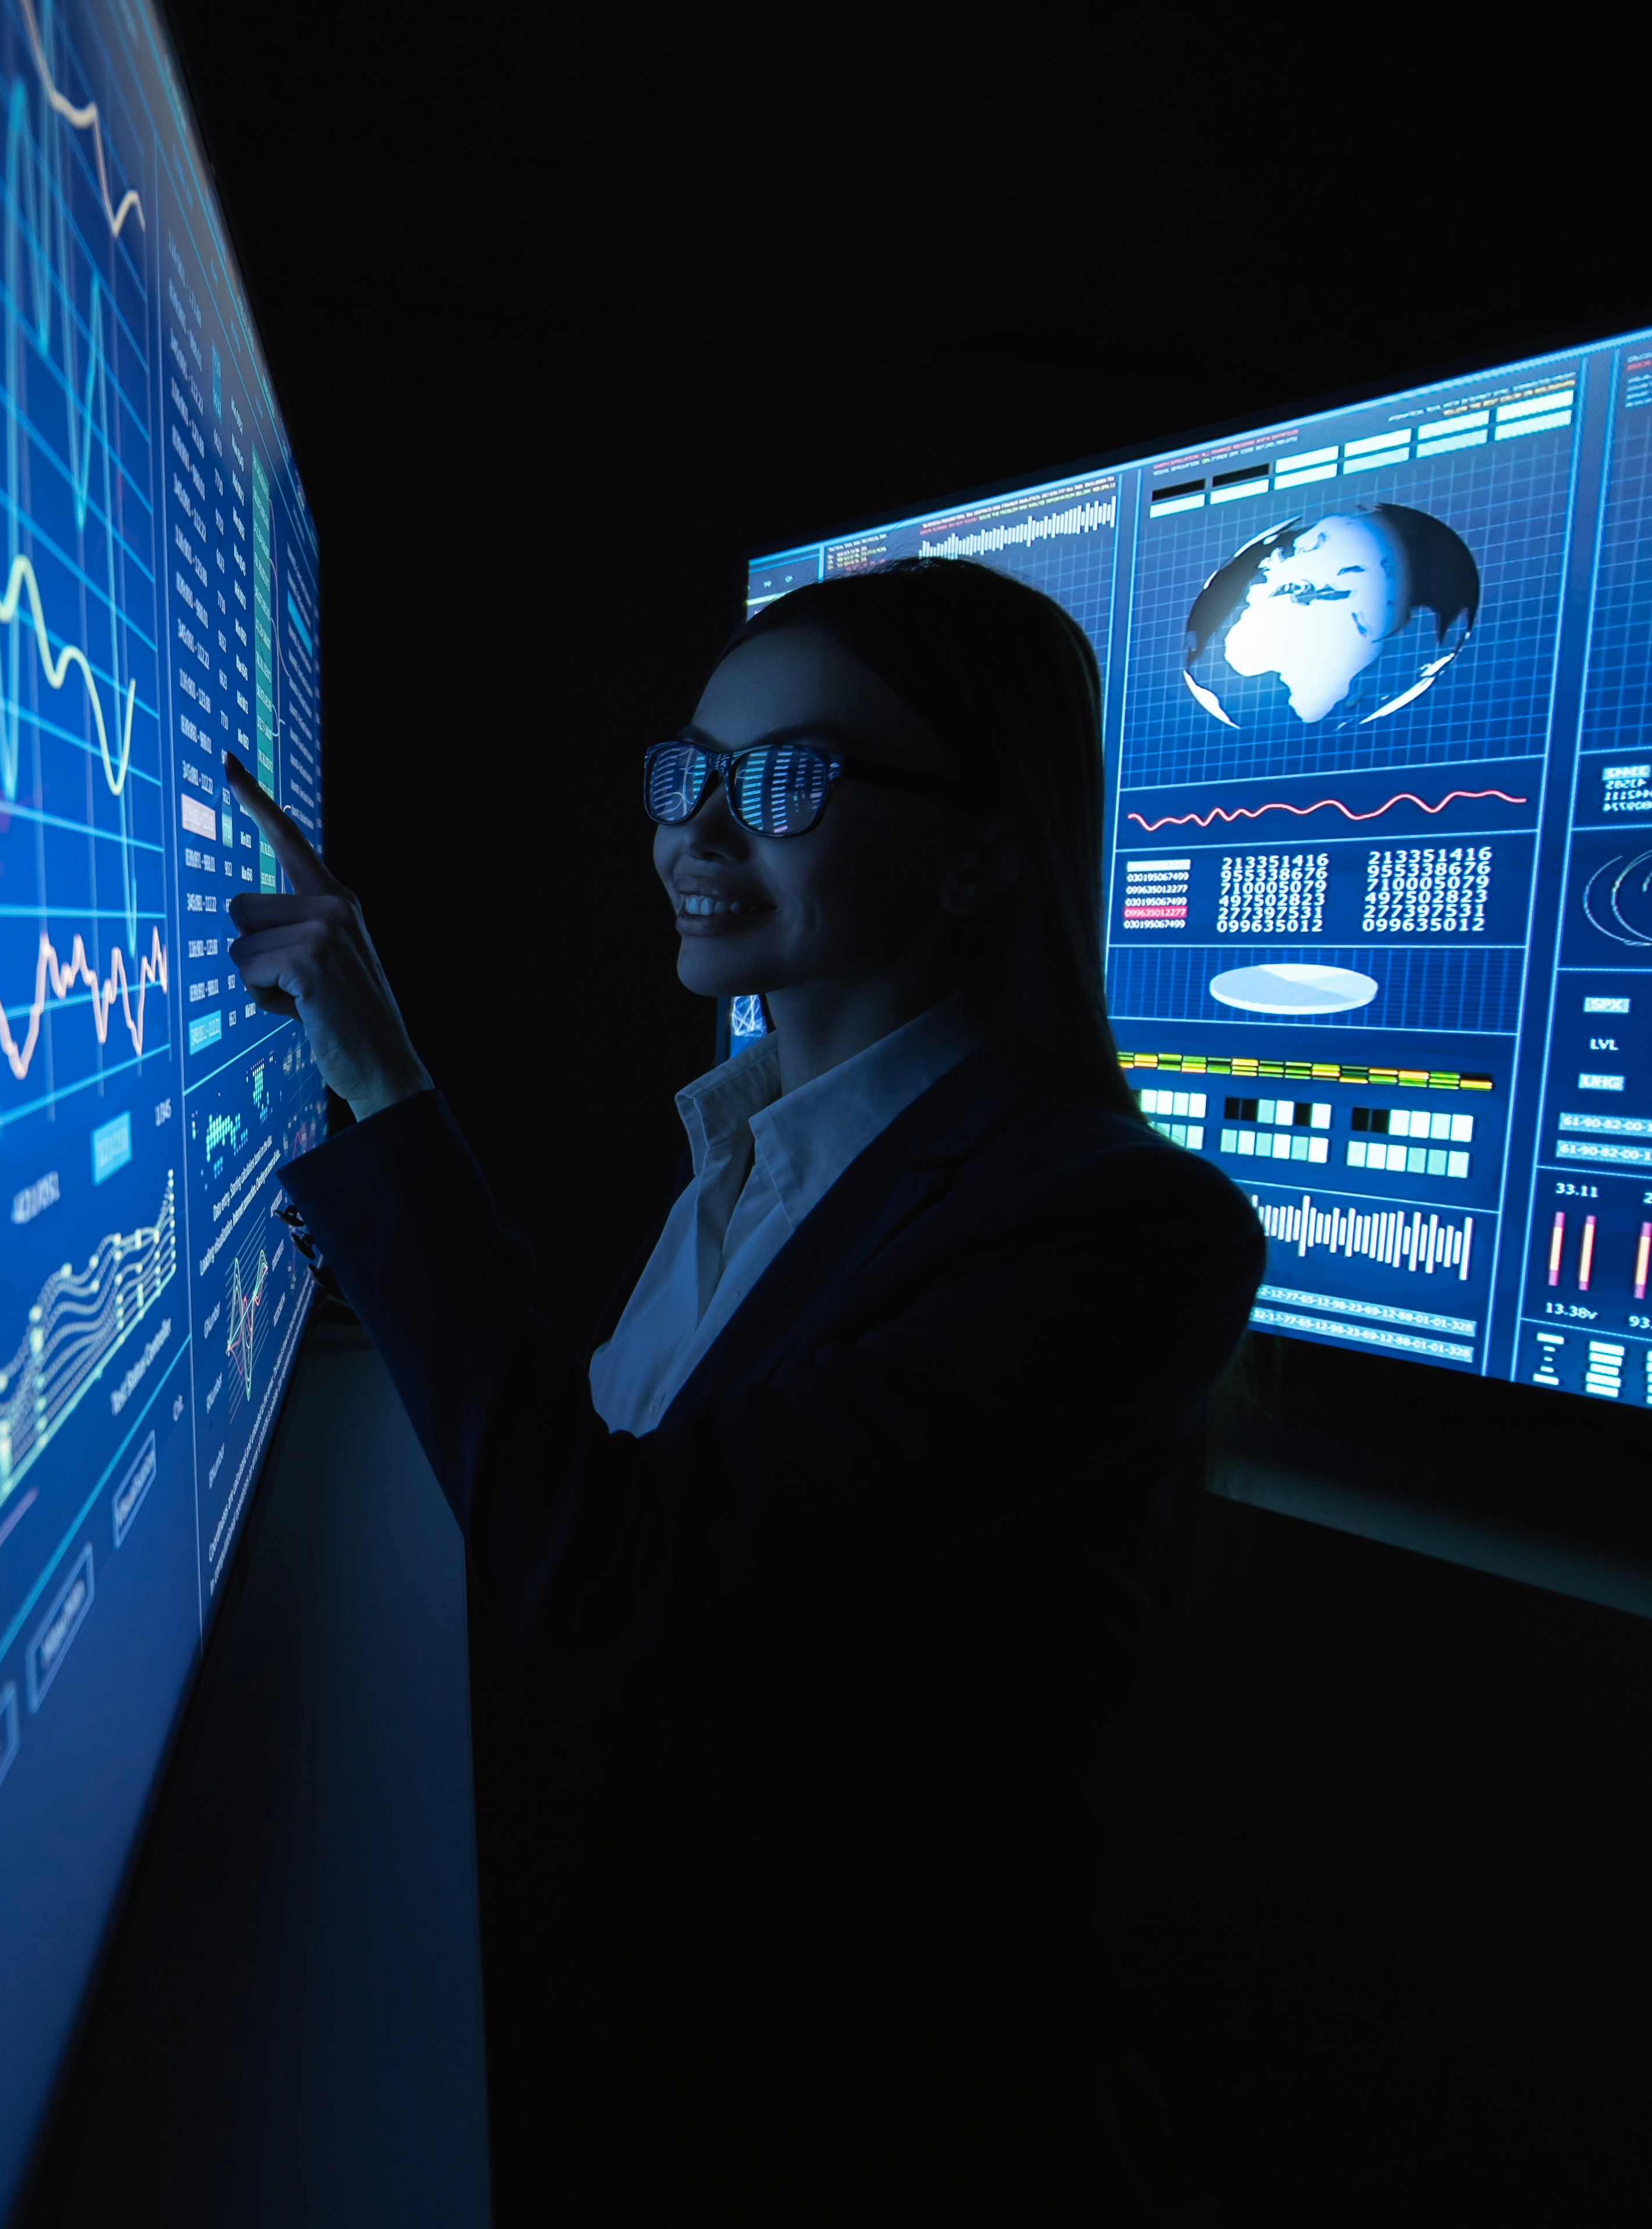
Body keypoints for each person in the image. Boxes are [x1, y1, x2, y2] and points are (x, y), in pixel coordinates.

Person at [222, 557, 1265, 2219]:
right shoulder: (758, 1139)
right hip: (654, 2022)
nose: (699, 839)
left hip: (858, 2106)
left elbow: (612, 1561)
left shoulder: (1122, 1227)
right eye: (688, 774)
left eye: (784, 783)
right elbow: (617, 1458)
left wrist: (383, 1073)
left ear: (986, 853)